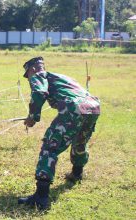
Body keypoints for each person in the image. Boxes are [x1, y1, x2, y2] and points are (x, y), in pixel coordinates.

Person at [17, 57, 100, 210]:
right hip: (93, 107)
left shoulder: (38, 75)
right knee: (80, 141)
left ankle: (41, 197)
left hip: (73, 108)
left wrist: (33, 117)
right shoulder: (62, 76)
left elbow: (40, 93)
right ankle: (76, 173)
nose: (28, 78)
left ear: (32, 69)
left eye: (27, 74)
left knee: (50, 147)